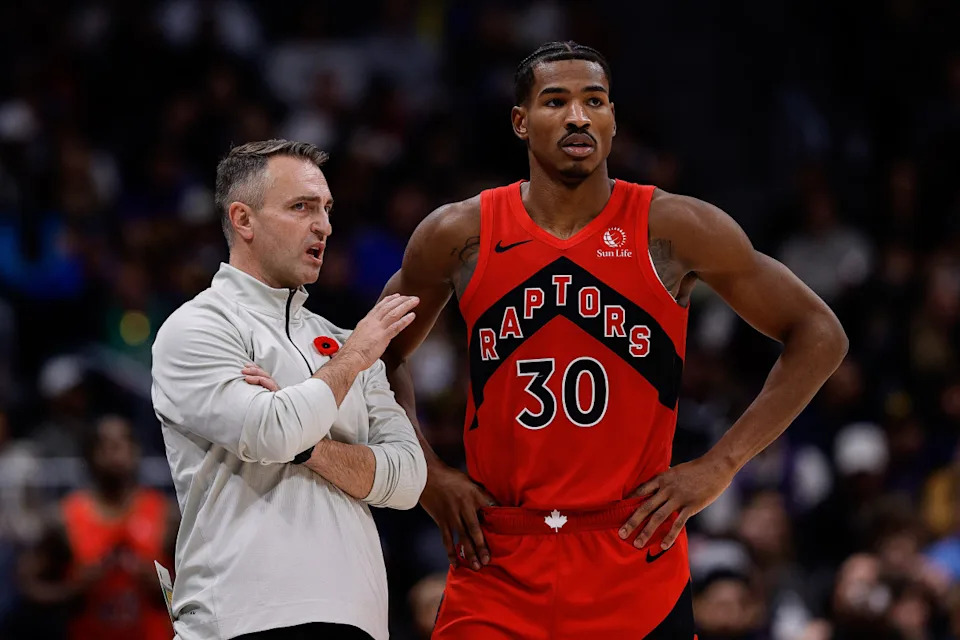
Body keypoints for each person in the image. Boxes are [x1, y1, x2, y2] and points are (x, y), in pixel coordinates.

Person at [378, 42, 849, 638]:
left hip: (632, 550)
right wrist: (426, 473)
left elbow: (819, 334)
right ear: (520, 121)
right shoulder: (458, 233)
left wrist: (721, 465)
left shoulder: (674, 227)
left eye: (594, 101)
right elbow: (378, 355)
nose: (578, 117)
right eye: (556, 101)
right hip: (498, 555)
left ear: (613, 119)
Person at [150, 139, 427, 640]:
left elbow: (408, 478)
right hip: (240, 618)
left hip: (360, 619)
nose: (323, 226)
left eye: (326, 209)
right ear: (243, 219)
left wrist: (307, 446)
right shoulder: (197, 327)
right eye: (301, 207)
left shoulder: (342, 340)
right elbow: (272, 432)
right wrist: (354, 361)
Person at [18, 414, 177, 640]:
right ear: (89, 455)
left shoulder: (167, 515)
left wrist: (162, 588)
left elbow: (199, 591)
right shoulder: (63, 518)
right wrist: (72, 591)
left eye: (123, 442)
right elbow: (28, 584)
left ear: (136, 451)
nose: (115, 450)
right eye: (106, 444)